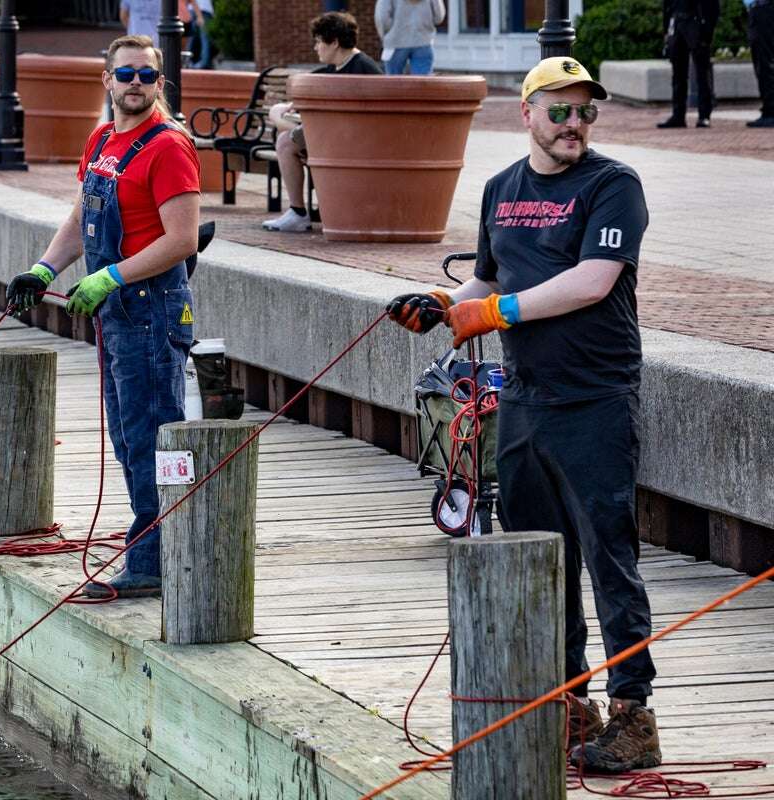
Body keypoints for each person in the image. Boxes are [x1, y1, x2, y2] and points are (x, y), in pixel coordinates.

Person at [387, 57, 661, 775]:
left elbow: (592, 283)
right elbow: (488, 276)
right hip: (525, 398)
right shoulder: (501, 189)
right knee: (543, 556)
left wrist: (493, 310)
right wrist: (442, 308)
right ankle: (571, 701)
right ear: (528, 114)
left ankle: (634, 712)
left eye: (586, 113)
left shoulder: (613, 186)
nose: (576, 125)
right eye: (561, 111)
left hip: (595, 399)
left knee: (609, 555)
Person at [5, 35, 200, 599]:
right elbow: (80, 217)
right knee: (125, 433)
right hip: (115, 313)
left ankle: (156, 560)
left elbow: (183, 239)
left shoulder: (168, 148)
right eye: (125, 74)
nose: (135, 83)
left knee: (152, 433)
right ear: (107, 80)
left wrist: (111, 275)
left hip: (152, 309)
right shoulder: (102, 140)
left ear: (159, 84)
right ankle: (151, 542)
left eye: (146, 75)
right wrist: (44, 270)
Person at [261, 12, 383, 233]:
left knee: (285, 143)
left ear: (334, 42)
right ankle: (300, 211)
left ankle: (298, 213)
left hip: (356, 142)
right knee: (283, 124)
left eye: (318, 41)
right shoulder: (331, 70)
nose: (315, 47)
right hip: (334, 135)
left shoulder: (364, 69)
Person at [657, 0, 718, 128]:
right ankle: (678, 115)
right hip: (677, 21)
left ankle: (704, 115)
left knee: (702, 72)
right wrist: (666, 29)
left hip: (696, 21)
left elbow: (712, 5)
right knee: (678, 73)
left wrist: (708, 29)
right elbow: (667, 4)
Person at [375, 0, 446, 75]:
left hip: (395, 42)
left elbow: (382, 17)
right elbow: (439, 16)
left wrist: (388, 33)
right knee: (421, 83)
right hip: (423, 41)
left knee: (393, 83)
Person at [746, 0, 774, 127]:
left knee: (764, 62)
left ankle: (770, 112)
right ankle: (768, 109)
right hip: (759, 9)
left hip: (763, 9)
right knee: (762, 61)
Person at [190, 0, 214, 69]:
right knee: (204, 39)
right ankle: (204, 62)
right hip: (202, 11)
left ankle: (189, 61)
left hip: (196, 10)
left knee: (193, 38)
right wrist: (199, 15)